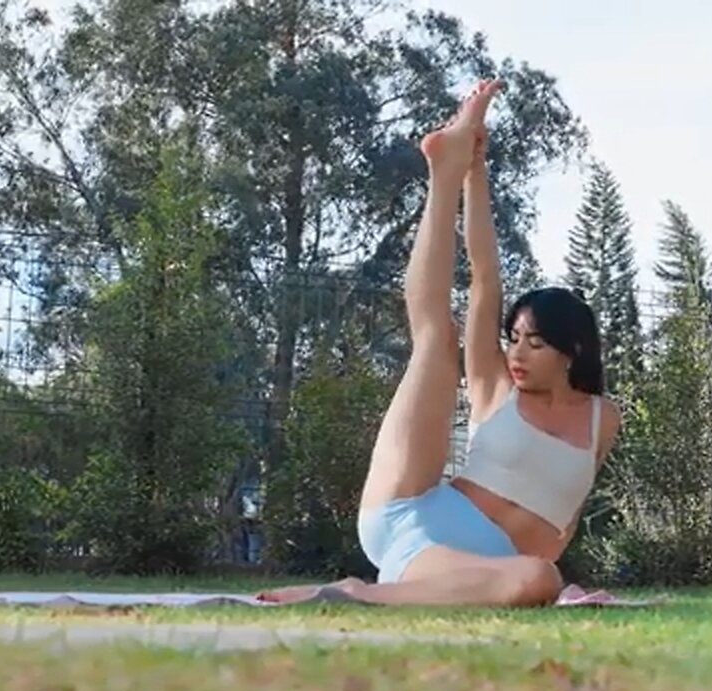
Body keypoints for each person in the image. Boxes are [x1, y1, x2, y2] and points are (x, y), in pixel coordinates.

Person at [258, 79, 622, 607]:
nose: (516, 353)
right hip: (412, 515)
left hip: (468, 564)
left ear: (574, 352)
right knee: (435, 340)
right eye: (513, 338)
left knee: (540, 578)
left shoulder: (600, 419)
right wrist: (473, 169)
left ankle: (357, 593)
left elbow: (560, 525)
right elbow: (485, 277)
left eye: (536, 343)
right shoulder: (497, 386)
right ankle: (442, 171)